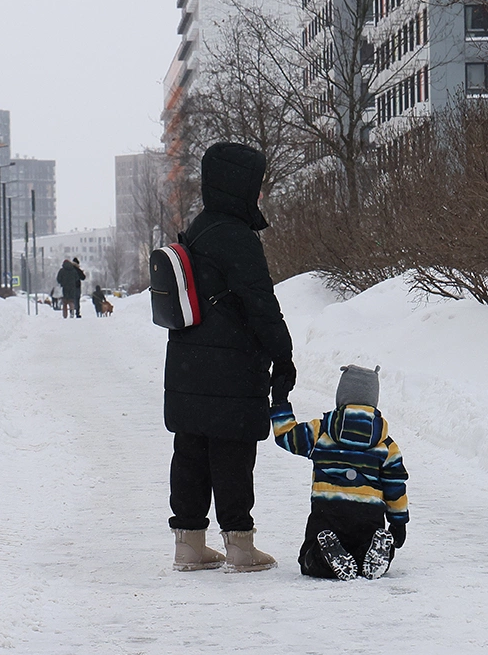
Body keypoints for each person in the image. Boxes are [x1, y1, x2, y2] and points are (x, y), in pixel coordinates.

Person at [164, 142, 295, 573]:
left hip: (186, 363)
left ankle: (189, 544)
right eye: (255, 185)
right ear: (240, 185)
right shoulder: (237, 237)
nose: (258, 195)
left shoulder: (198, 228)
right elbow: (261, 304)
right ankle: (239, 545)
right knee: (232, 455)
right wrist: (284, 355)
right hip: (232, 366)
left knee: (190, 452)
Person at [269, 364, 409, 580]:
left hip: (328, 513)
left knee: (308, 559)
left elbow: (286, 435)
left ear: (341, 396)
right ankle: (377, 551)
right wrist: (398, 522)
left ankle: (324, 555)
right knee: (362, 555)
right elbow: (395, 486)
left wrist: (280, 402)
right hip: (369, 516)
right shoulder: (386, 444)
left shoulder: (321, 432)